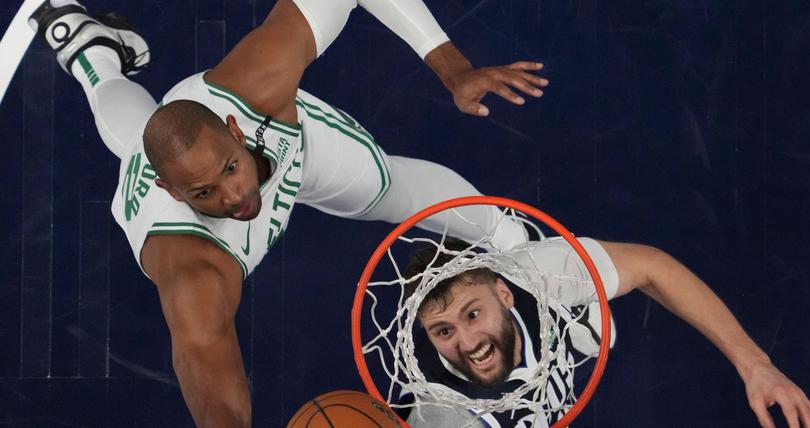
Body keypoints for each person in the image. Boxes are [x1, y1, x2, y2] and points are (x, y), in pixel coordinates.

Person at [29, 0, 547, 425]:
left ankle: (517, 243)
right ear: (173, 191)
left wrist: (453, 70)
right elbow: (209, 372)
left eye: (231, 170)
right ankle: (93, 58)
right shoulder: (194, 267)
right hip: (176, 196)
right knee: (134, 145)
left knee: (393, 188)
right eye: (205, 193)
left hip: (278, 143)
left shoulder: (256, 89)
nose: (233, 199)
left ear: (234, 131)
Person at [401, 238, 810, 428]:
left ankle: (574, 323)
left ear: (504, 293)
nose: (467, 341)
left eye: (473, 314)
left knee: (591, 310)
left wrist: (756, 366)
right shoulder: (446, 414)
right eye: (443, 331)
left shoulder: (539, 273)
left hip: (556, 319)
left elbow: (651, 267)